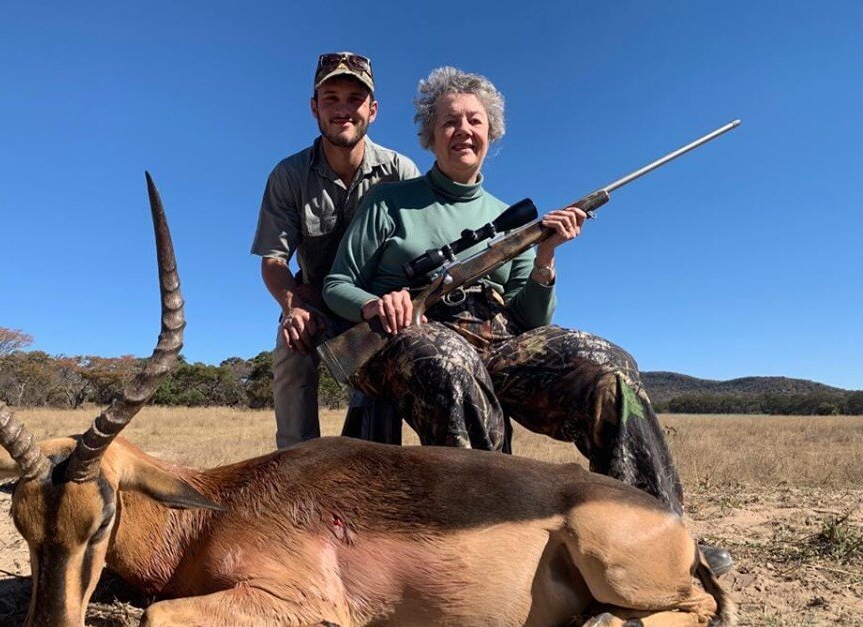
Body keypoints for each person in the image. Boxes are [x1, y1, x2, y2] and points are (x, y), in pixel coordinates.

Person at [323, 66, 732, 575]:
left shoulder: (509, 218)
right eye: (449, 121)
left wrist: (546, 259)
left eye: (475, 120)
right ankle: (490, 550)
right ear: (430, 136)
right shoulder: (389, 202)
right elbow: (336, 284)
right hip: (405, 337)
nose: (463, 130)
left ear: (491, 133)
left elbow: (528, 317)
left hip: (496, 339)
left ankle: (657, 539)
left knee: (608, 364)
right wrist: (375, 305)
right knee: (448, 361)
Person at [251, 52, 419, 449]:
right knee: (292, 350)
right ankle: (294, 469)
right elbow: (274, 262)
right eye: (331, 98)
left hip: (379, 307)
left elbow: (420, 256)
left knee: (414, 356)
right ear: (314, 108)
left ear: (373, 110)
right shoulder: (289, 175)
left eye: (355, 99)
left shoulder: (401, 172)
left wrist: (397, 305)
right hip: (317, 305)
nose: (343, 109)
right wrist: (293, 306)